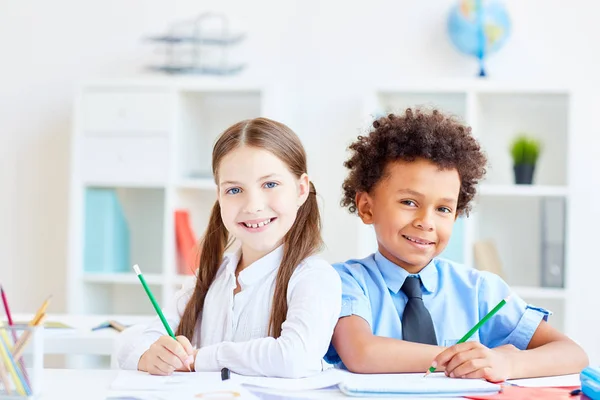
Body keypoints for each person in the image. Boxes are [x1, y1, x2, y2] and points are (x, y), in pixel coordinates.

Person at [325, 108, 588, 382]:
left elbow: (573, 354)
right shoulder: (345, 282)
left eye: (443, 209)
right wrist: (461, 358)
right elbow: (362, 353)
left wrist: (507, 363)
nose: (426, 222)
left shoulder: (479, 290)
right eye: (409, 202)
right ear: (367, 208)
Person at [117, 117, 341, 378]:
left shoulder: (314, 277)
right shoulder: (210, 275)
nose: (253, 205)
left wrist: (201, 358)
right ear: (219, 197)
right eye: (234, 190)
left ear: (301, 189)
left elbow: (294, 358)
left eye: (270, 184)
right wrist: (149, 356)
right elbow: (134, 340)